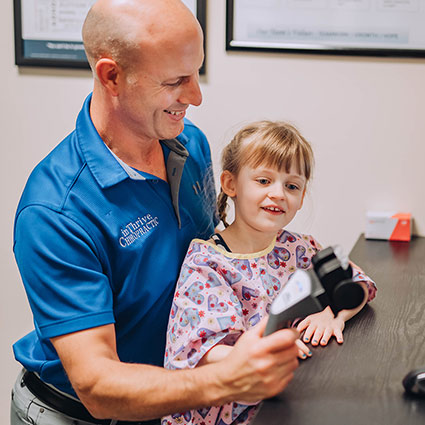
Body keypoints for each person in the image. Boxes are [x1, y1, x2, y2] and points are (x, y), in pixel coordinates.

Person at [11, 2, 300, 425]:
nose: (196, 96)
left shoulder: (190, 145)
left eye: (197, 72)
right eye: (175, 81)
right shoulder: (55, 211)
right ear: (111, 76)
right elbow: (97, 386)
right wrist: (229, 379)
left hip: (167, 400)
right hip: (79, 413)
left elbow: (211, 260)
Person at [163, 121, 377, 425]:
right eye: (264, 181)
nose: (278, 194)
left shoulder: (299, 249)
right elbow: (202, 351)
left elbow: (359, 284)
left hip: (285, 398)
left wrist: (332, 313)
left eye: (291, 186)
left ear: (301, 197)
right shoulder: (207, 262)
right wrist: (274, 350)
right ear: (231, 184)